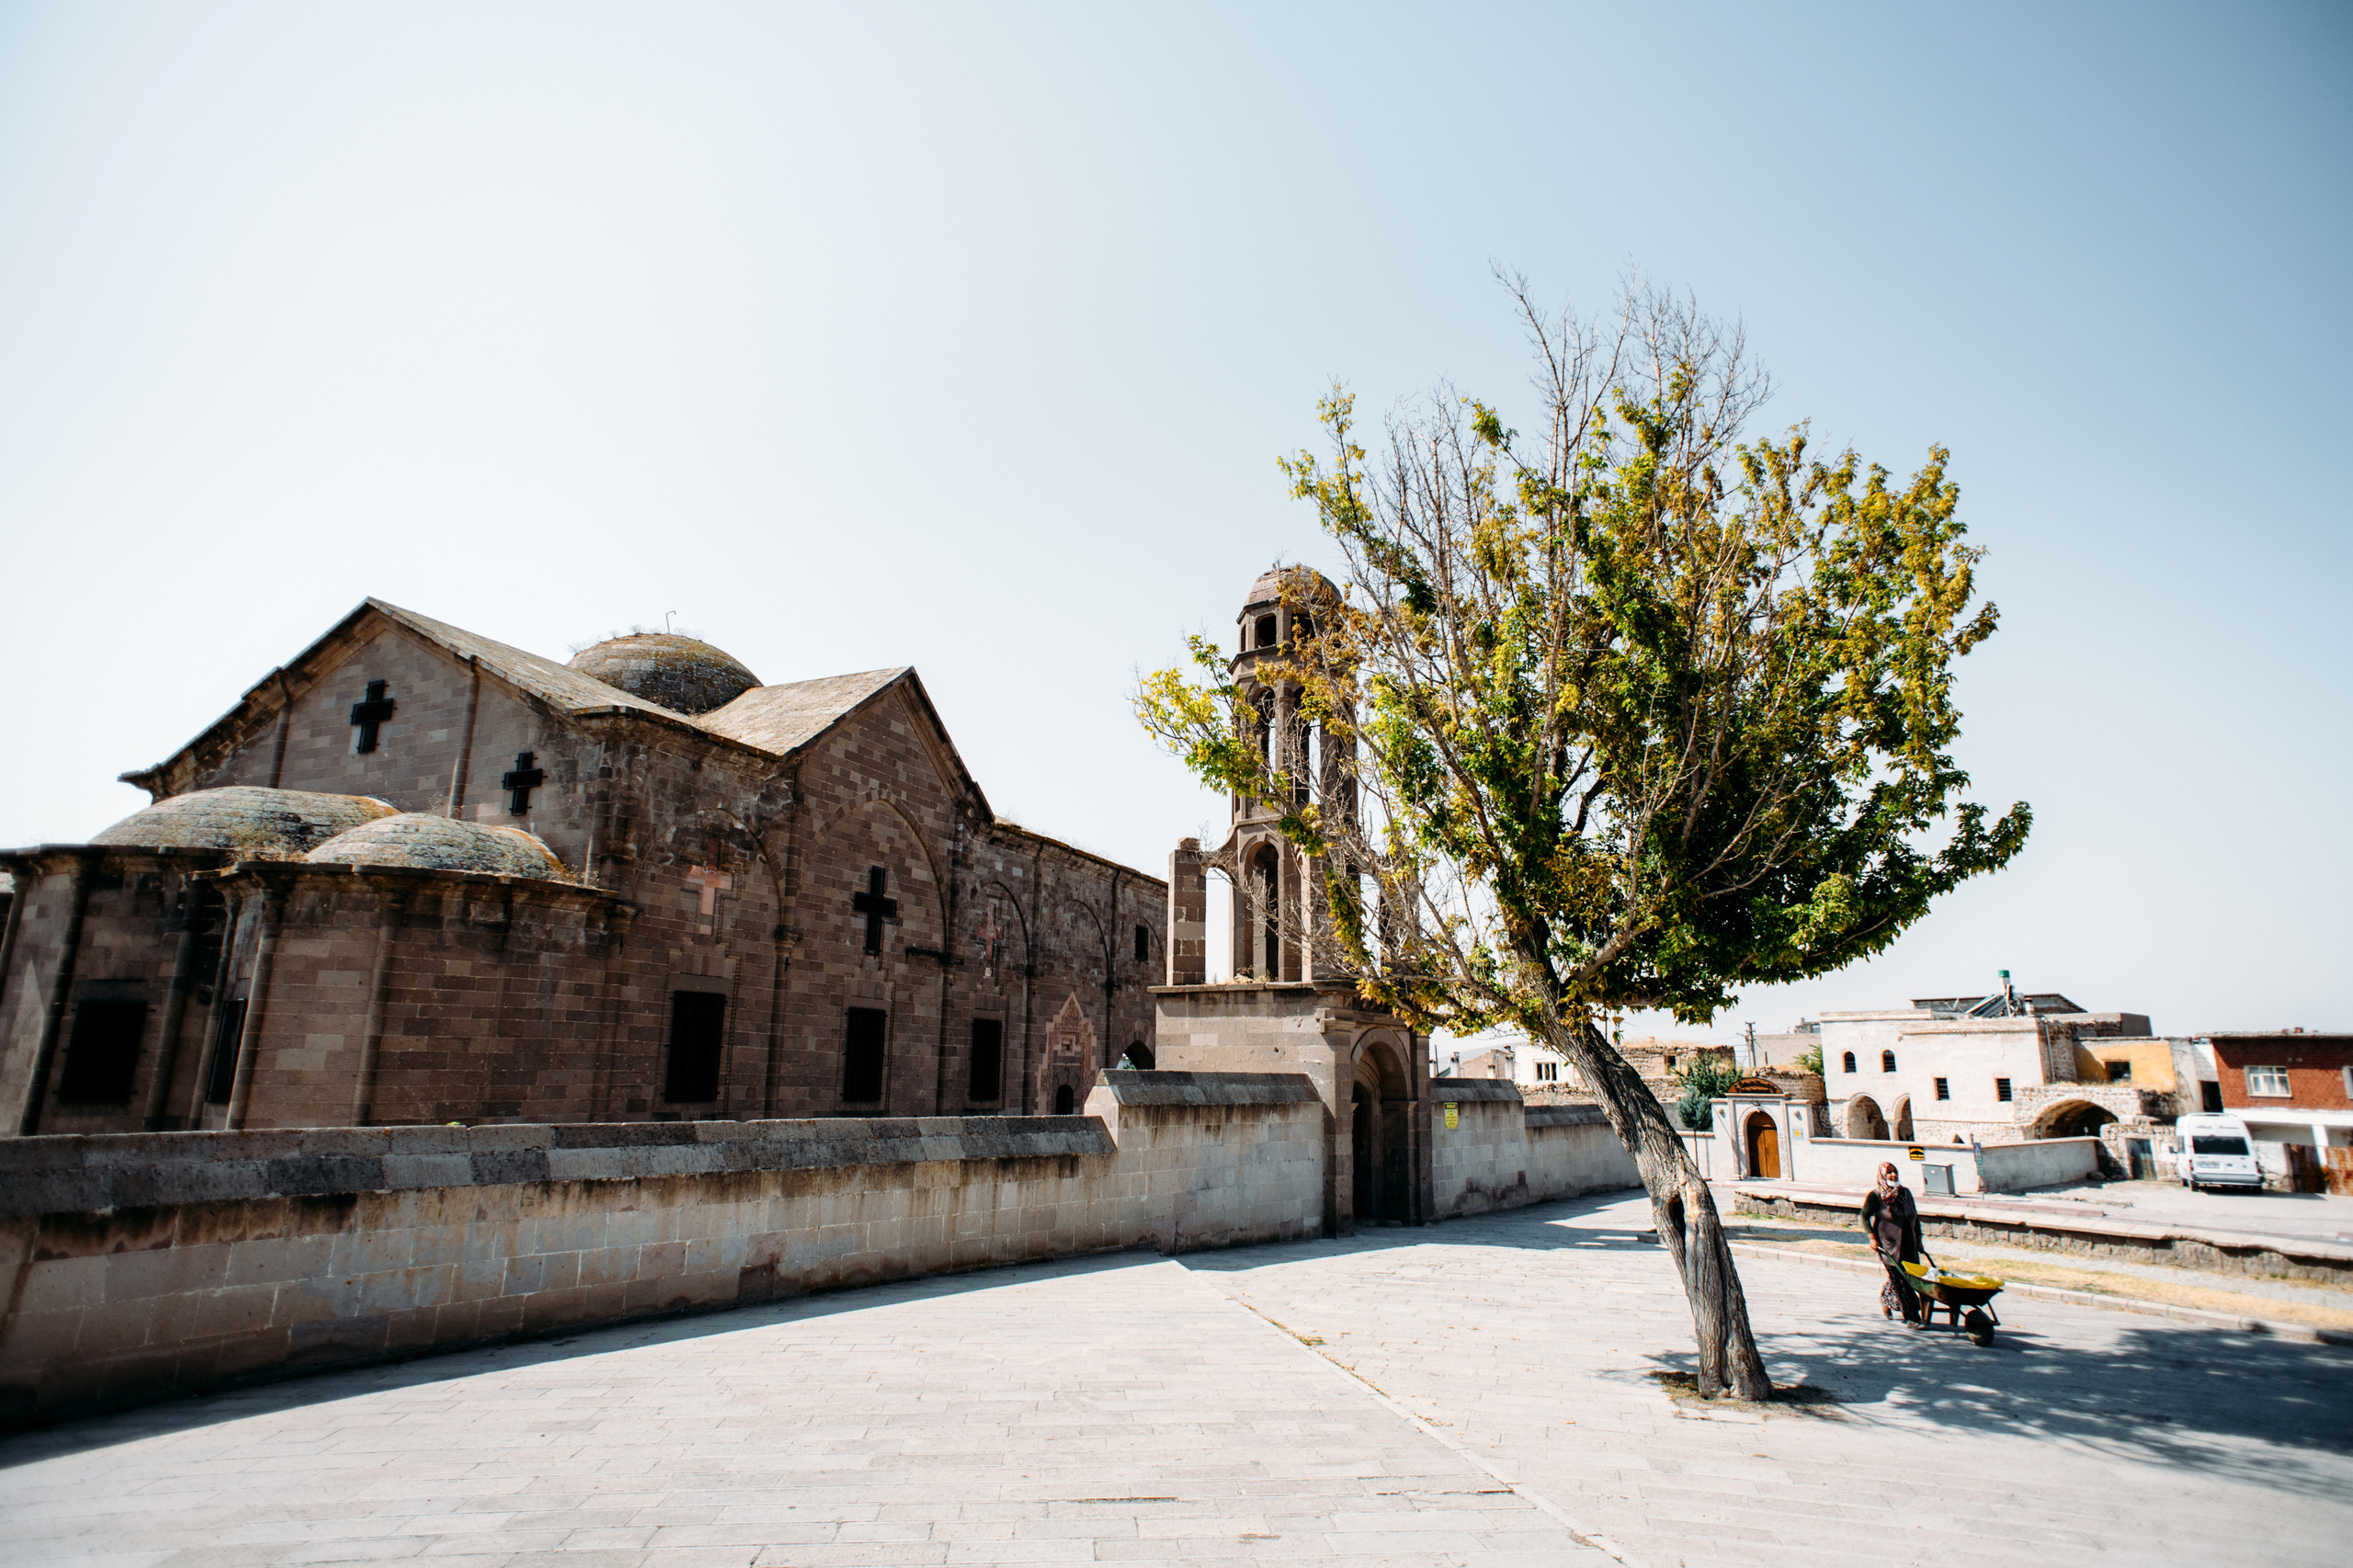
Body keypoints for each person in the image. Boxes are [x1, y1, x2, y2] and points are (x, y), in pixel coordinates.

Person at [1860, 1161, 1924, 1325]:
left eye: (1895, 1171)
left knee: (1907, 1277)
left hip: (1909, 1244)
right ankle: (1912, 1316)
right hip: (1889, 1246)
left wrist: (1919, 1240)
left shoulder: (1906, 1193)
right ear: (1882, 1175)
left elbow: (1915, 1218)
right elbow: (1864, 1216)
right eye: (1889, 1172)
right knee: (1901, 1280)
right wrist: (1872, 1238)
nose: (1893, 1175)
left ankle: (1885, 1299)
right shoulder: (1876, 1196)